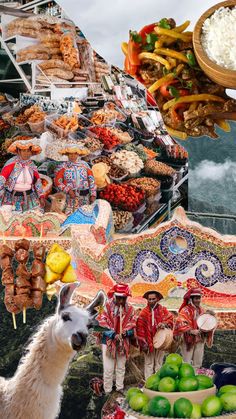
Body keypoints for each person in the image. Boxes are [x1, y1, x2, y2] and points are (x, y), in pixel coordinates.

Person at [96, 283, 136, 395]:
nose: (121, 301)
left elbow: (133, 326)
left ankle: (119, 388)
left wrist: (126, 332)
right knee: (108, 369)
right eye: (119, 298)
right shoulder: (104, 307)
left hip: (123, 342)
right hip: (108, 342)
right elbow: (100, 324)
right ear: (115, 296)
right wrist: (113, 334)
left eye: (124, 299)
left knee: (121, 367)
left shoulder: (131, 309)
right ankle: (108, 390)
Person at [136, 290, 173, 380]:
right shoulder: (143, 313)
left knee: (159, 363)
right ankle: (149, 383)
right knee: (149, 363)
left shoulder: (163, 310)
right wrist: (144, 343)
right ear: (147, 300)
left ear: (157, 299)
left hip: (161, 341)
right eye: (149, 299)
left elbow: (170, 319)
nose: (151, 301)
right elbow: (139, 329)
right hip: (148, 342)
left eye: (153, 299)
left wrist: (164, 323)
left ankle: (158, 382)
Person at [174, 288, 215, 368]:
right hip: (188, 340)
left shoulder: (202, 310)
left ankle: (196, 378)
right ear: (191, 299)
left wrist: (210, 317)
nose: (198, 300)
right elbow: (179, 322)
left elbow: (205, 324)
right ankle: (186, 379)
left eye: (199, 298)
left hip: (199, 339)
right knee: (187, 363)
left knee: (198, 363)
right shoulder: (185, 310)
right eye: (196, 298)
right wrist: (191, 331)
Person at [0, 140, 45, 212]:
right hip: (12, 198)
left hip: (30, 198)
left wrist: (41, 196)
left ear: (31, 152)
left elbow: (38, 182)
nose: (26, 153)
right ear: (18, 151)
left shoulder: (32, 165)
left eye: (28, 151)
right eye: (23, 151)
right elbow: (1, 181)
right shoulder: (11, 164)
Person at [54, 144, 96, 215]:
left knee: (84, 215)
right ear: (67, 155)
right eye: (70, 154)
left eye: (75, 154)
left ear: (78, 155)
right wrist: (68, 190)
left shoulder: (84, 166)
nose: (73, 156)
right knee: (69, 216)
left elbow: (91, 180)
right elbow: (57, 182)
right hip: (70, 198)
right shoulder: (63, 167)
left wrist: (93, 194)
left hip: (84, 197)